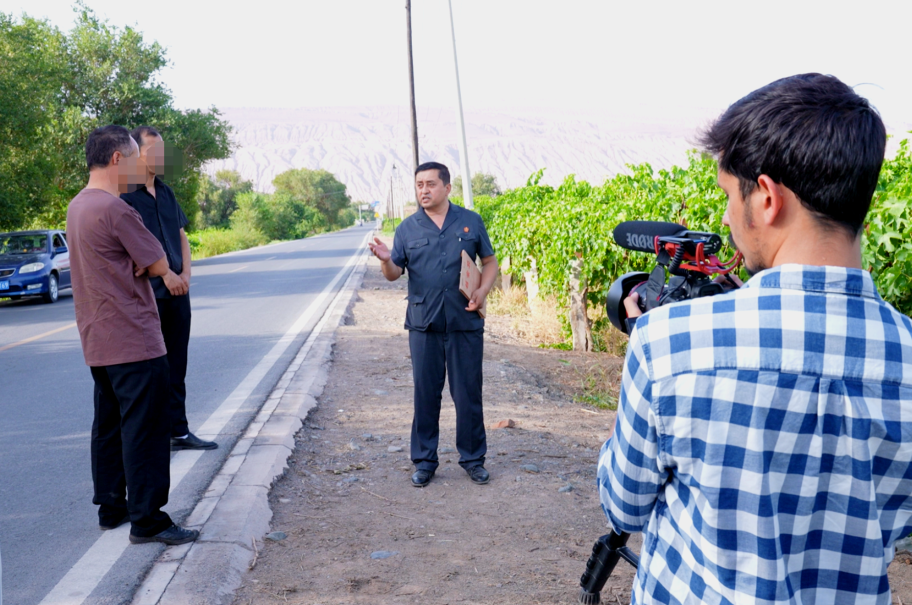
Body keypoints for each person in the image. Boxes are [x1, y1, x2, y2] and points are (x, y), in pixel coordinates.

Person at [598, 73, 912, 604]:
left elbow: (624, 502)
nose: (725, 216)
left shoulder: (668, 343)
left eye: (727, 195)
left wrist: (645, 349)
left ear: (767, 197)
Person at [67, 125, 198, 545]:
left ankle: (112, 507)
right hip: (134, 337)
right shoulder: (117, 209)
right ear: (118, 159)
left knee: (108, 426)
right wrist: (149, 265)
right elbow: (157, 258)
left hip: (98, 339)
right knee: (146, 429)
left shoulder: (77, 206)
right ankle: (149, 521)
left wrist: (142, 264)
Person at [369, 162, 498, 487]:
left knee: (468, 393)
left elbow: (490, 261)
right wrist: (386, 260)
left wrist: (482, 291)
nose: (423, 190)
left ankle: (472, 459)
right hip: (423, 323)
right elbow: (394, 273)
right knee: (426, 393)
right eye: (418, 185)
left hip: (464, 320)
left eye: (430, 184)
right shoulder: (407, 228)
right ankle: (425, 461)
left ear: (447, 188)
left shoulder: (470, 221)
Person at [121, 126, 216, 451]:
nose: (162, 157)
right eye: (154, 151)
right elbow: (131, 248)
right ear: (137, 154)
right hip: (149, 295)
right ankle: (155, 436)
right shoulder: (125, 196)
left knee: (178, 364)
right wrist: (165, 276)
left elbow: (181, 237)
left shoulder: (167, 192)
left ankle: (179, 429)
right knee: (152, 370)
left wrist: (186, 274)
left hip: (179, 292)